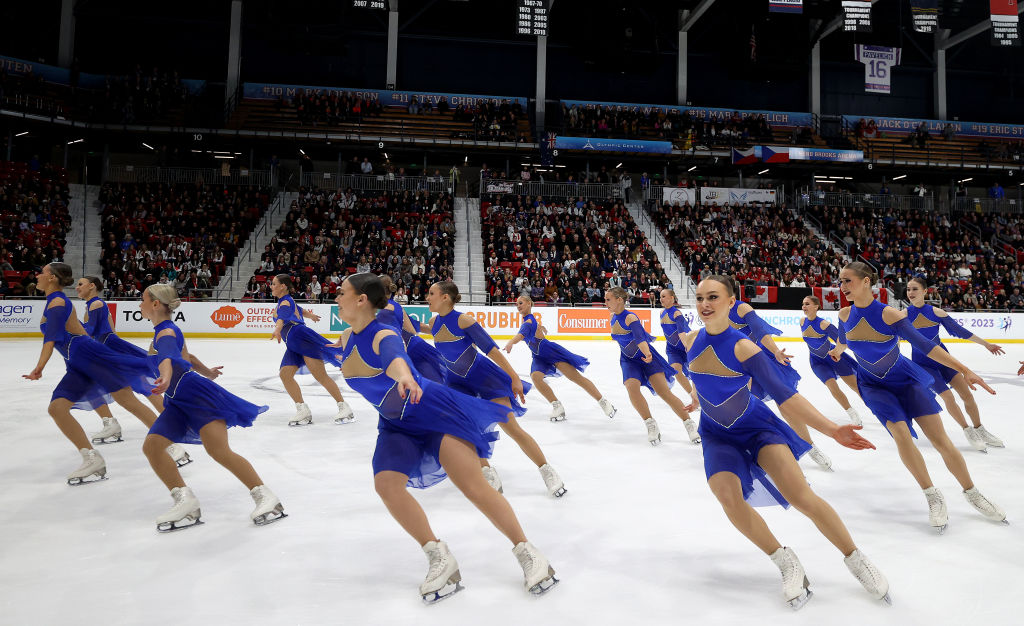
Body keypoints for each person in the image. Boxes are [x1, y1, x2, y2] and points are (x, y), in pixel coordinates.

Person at [333, 273, 558, 602]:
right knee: (386, 485)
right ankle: (438, 554)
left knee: (473, 485)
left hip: (432, 411)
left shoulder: (382, 335)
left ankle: (527, 551)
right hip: (395, 423)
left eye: (342, 293)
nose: (336, 297)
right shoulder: (346, 336)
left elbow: (395, 357)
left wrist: (405, 375)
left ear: (361, 300)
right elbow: (350, 350)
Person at [685, 276, 887, 609]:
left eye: (713, 297)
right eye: (700, 297)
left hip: (757, 429)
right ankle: (786, 561)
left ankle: (855, 558)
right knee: (728, 498)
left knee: (802, 496)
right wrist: (695, 398)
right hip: (716, 433)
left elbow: (786, 397)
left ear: (732, 301)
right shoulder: (691, 339)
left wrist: (832, 429)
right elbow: (699, 376)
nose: (705, 304)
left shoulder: (743, 346)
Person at [829, 262, 1006, 531]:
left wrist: (965, 369)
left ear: (866, 282)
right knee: (901, 435)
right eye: (840, 281)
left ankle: (972, 492)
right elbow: (843, 339)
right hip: (873, 386)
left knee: (940, 440)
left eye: (847, 281)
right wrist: (838, 351)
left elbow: (926, 346)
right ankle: (932, 495)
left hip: (905, 380)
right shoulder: (843, 315)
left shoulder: (890, 315)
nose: (842, 287)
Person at [138, 284, 284, 531]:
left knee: (219, 452)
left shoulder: (165, 333)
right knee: (152, 447)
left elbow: (167, 360)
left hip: (195, 396)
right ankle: (185, 501)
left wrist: (164, 376)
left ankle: (266, 496)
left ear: (155, 304)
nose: (139, 304)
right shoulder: (166, 331)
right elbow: (188, 358)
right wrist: (209, 372)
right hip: (176, 400)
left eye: (142, 300)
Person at [21, 263, 162, 485]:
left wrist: (39, 367)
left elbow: (51, 337)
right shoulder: (53, 302)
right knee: (57, 408)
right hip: (76, 362)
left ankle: (169, 444)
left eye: (42, 272)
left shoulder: (58, 301)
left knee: (126, 398)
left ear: (52, 278)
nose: (37, 275)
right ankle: (91, 457)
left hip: (88, 355)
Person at [425, 281, 564, 497]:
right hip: (456, 382)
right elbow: (415, 328)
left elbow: (492, 350)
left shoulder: (464, 320)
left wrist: (514, 377)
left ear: (445, 297)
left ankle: (547, 470)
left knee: (511, 427)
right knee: (465, 427)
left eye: (431, 293)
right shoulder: (434, 322)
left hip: (485, 378)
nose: (427, 297)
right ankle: (486, 469)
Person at [74, 276, 192, 465]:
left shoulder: (96, 304)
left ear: (92, 286)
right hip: (107, 349)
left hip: (110, 350)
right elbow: (106, 329)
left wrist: (67, 322)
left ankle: (169, 434)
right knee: (132, 389)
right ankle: (113, 423)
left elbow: (90, 331)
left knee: (138, 389)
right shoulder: (94, 305)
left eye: (81, 284)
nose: (77, 287)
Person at [725, 280, 833, 472]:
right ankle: (748, 447)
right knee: (745, 407)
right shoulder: (715, 313)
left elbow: (759, 331)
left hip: (761, 359)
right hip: (737, 364)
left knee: (786, 405)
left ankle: (809, 446)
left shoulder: (742, 308)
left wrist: (775, 351)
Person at [904, 277, 1005, 450]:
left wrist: (986, 344)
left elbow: (961, 332)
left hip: (944, 360)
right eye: (908, 289)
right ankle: (968, 431)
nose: (910, 293)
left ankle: (979, 429)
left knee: (967, 395)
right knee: (948, 397)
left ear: (925, 291)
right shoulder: (903, 316)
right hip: (924, 364)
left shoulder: (936, 312)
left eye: (914, 289)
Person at [604, 287, 700, 446]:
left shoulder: (630, 318)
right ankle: (650, 424)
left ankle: (689, 424)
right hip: (628, 360)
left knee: (664, 392)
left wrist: (647, 354)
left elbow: (640, 338)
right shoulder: (612, 316)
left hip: (647, 356)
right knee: (631, 387)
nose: (605, 302)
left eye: (608, 299)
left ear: (619, 300)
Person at [503, 295, 617, 422]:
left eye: (521, 303)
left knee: (576, 378)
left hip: (551, 353)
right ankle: (557, 406)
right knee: (536, 377)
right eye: (517, 303)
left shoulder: (528, 322)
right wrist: (540, 327)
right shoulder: (528, 319)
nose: (518, 306)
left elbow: (521, 334)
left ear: (529, 303)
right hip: (538, 357)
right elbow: (531, 326)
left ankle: (604, 402)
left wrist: (511, 342)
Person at [270, 274, 356, 426]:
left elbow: (282, 318)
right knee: (285, 374)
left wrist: (277, 329)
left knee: (320, 376)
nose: (271, 286)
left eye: (274, 283)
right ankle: (302, 409)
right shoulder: (286, 301)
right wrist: (311, 316)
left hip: (301, 339)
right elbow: (300, 310)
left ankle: (344, 407)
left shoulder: (285, 302)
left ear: (283, 286)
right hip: (293, 343)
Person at [800, 296, 862, 425]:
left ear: (816, 306)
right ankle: (852, 413)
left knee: (855, 387)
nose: (804, 307)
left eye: (807, 304)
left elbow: (841, 339)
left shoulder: (824, 324)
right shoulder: (802, 321)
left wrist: (837, 352)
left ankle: (877, 409)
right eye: (803, 304)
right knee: (832, 387)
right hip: (817, 361)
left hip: (834, 358)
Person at [659, 288, 696, 399]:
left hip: (686, 345)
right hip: (672, 348)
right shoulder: (661, 313)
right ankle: (693, 396)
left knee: (696, 374)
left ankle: (705, 396)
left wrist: (688, 348)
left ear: (672, 298)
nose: (661, 299)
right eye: (660, 296)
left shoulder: (676, 313)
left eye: (664, 296)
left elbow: (681, 333)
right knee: (676, 371)